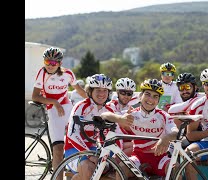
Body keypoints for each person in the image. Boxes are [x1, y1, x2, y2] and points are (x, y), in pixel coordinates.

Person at [101, 79, 179, 179]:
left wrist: (165, 138)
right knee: (122, 167)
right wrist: (120, 118)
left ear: (158, 100)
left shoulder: (163, 116)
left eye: (155, 96)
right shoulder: (131, 114)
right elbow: (104, 115)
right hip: (138, 157)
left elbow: (176, 132)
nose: (151, 99)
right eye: (147, 94)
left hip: (160, 158)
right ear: (140, 96)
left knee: (175, 167)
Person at [31, 47, 87, 179]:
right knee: (58, 149)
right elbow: (35, 96)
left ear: (60, 63)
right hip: (52, 109)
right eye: (47, 62)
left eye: (53, 63)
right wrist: (55, 102)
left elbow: (80, 91)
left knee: (75, 143)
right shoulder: (42, 73)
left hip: (68, 108)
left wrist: (94, 102)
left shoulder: (68, 74)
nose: (49, 66)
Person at [64, 74, 133, 179]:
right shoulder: (81, 107)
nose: (102, 94)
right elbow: (72, 135)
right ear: (90, 91)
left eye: (105, 90)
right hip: (75, 149)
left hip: (97, 149)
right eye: (98, 90)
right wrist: (89, 155)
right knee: (88, 169)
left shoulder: (109, 110)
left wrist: (114, 159)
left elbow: (117, 136)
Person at [168, 72, 204, 148]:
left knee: (178, 117)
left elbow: (171, 110)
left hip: (206, 135)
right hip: (195, 133)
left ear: (195, 87)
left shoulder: (199, 98)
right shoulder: (189, 100)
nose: (184, 91)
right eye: (181, 88)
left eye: (187, 87)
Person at [105, 77, 140, 156]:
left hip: (122, 141)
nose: (126, 96)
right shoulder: (110, 105)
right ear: (117, 92)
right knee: (136, 147)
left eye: (129, 93)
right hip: (110, 141)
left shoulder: (131, 108)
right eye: (123, 93)